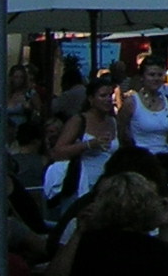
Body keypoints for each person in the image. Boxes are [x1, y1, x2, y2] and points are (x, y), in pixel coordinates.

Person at [46, 72, 122, 213]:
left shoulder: (113, 121)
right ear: (91, 99)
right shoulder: (79, 120)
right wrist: (89, 144)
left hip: (106, 186)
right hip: (80, 185)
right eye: (102, 96)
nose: (108, 100)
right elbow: (57, 152)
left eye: (110, 95)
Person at [122, 62, 168, 157]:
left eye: (160, 75)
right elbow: (122, 134)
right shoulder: (131, 103)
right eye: (152, 75)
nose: (156, 79)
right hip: (140, 158)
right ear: (142, 77)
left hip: (165, 158)